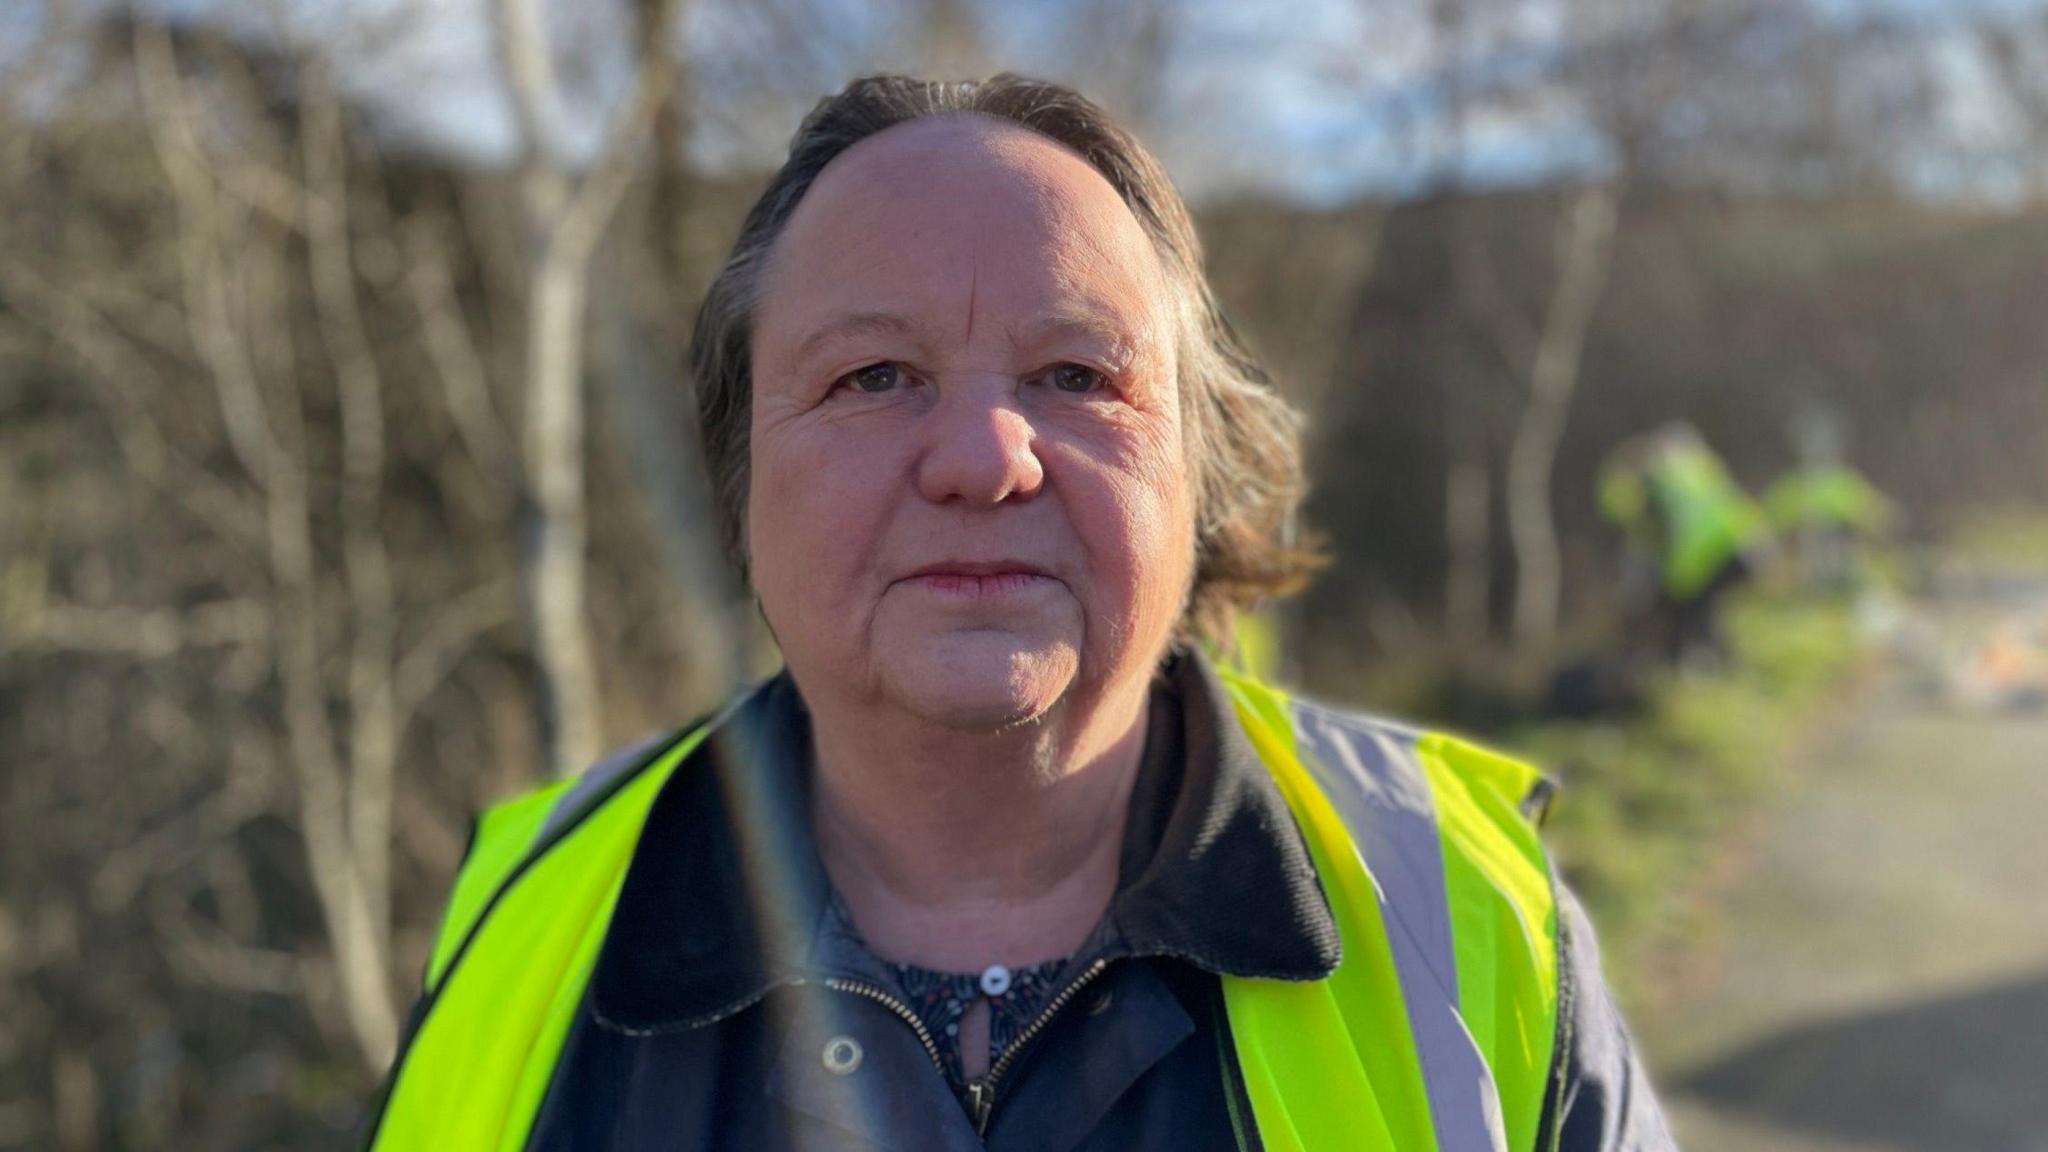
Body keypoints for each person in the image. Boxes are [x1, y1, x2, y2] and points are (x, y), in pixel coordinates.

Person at [366, 74, 1674, 1152]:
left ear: (1200, 467)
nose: (988, 458)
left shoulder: (1470, 922)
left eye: (1074, 373)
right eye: (875, 375)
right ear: (742, 473)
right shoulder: (518, 927)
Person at [1599, 422, 1772, 666]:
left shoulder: (1653, 488)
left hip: (1709, 555)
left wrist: (1644, 583)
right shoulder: (1694, 466)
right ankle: (1722, 664)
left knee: (1686, 608)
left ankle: (1699, 669)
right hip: (1750, 542)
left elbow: (1657, 542)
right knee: (1706, 608)